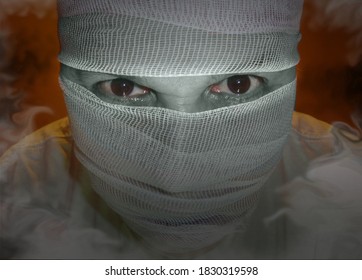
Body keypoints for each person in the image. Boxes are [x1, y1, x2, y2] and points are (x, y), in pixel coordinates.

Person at [1, 0, 361, 259]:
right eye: (124, 88)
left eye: (237, 85)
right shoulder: (19, 186)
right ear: (68, 83)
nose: (179, 176)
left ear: (292, 77)